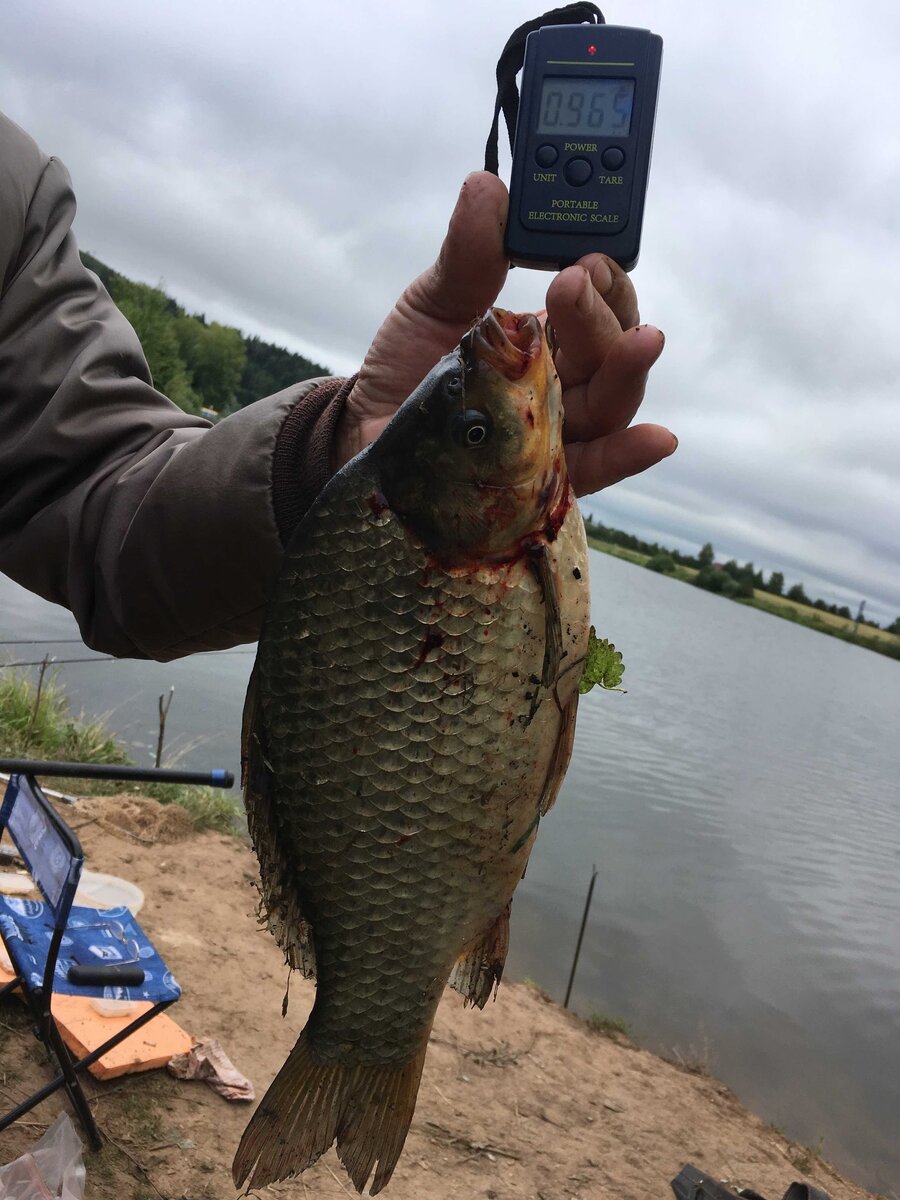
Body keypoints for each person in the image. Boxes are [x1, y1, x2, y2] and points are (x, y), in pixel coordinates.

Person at [0, 111, 675, 661]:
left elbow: (87, 493)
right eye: (477, 431)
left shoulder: (16, 189)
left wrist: (341, 457)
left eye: (475, 432)